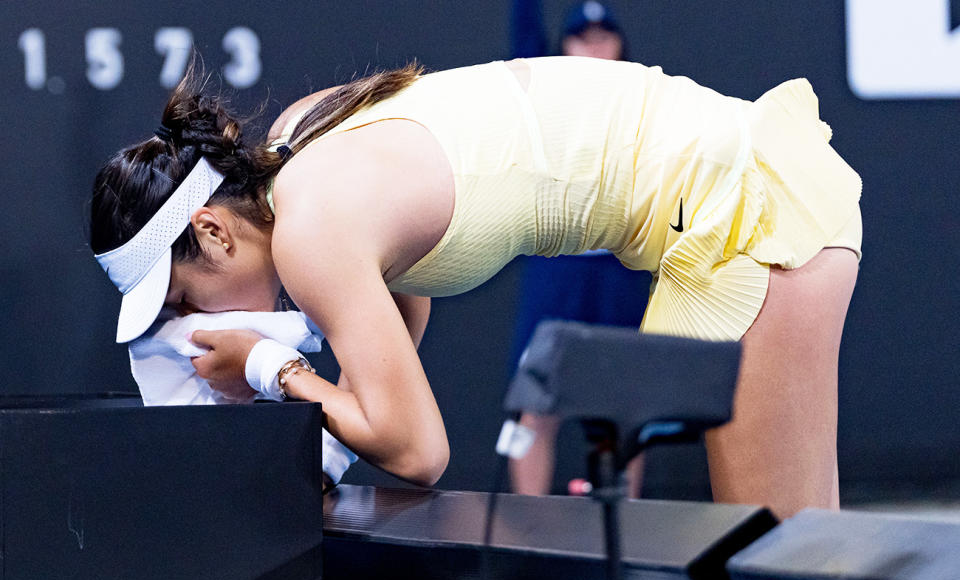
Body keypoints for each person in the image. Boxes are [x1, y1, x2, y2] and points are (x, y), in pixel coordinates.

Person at [90, 55, 862, 518]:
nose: (192, 321)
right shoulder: (305, 137)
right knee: (804, 549)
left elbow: (419, 451)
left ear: (215, 233)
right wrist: (322, 461)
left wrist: (269, 366)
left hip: (748, 206)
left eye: (182, 299)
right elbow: (398, 331)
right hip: (745, 183)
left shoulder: (309, 233)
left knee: (778, 561)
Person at [508, 0, 651, 497]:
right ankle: (531, 526)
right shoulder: (542, 93)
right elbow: (523, 38)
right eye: (580, 36)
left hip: (620, 270)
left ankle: (624, 522)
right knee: (535, 400)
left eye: (603, 35)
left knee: (624, 401)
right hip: (558, 270)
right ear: (563, 46)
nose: (592, 45)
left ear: (620, 46)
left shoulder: (645, 99)